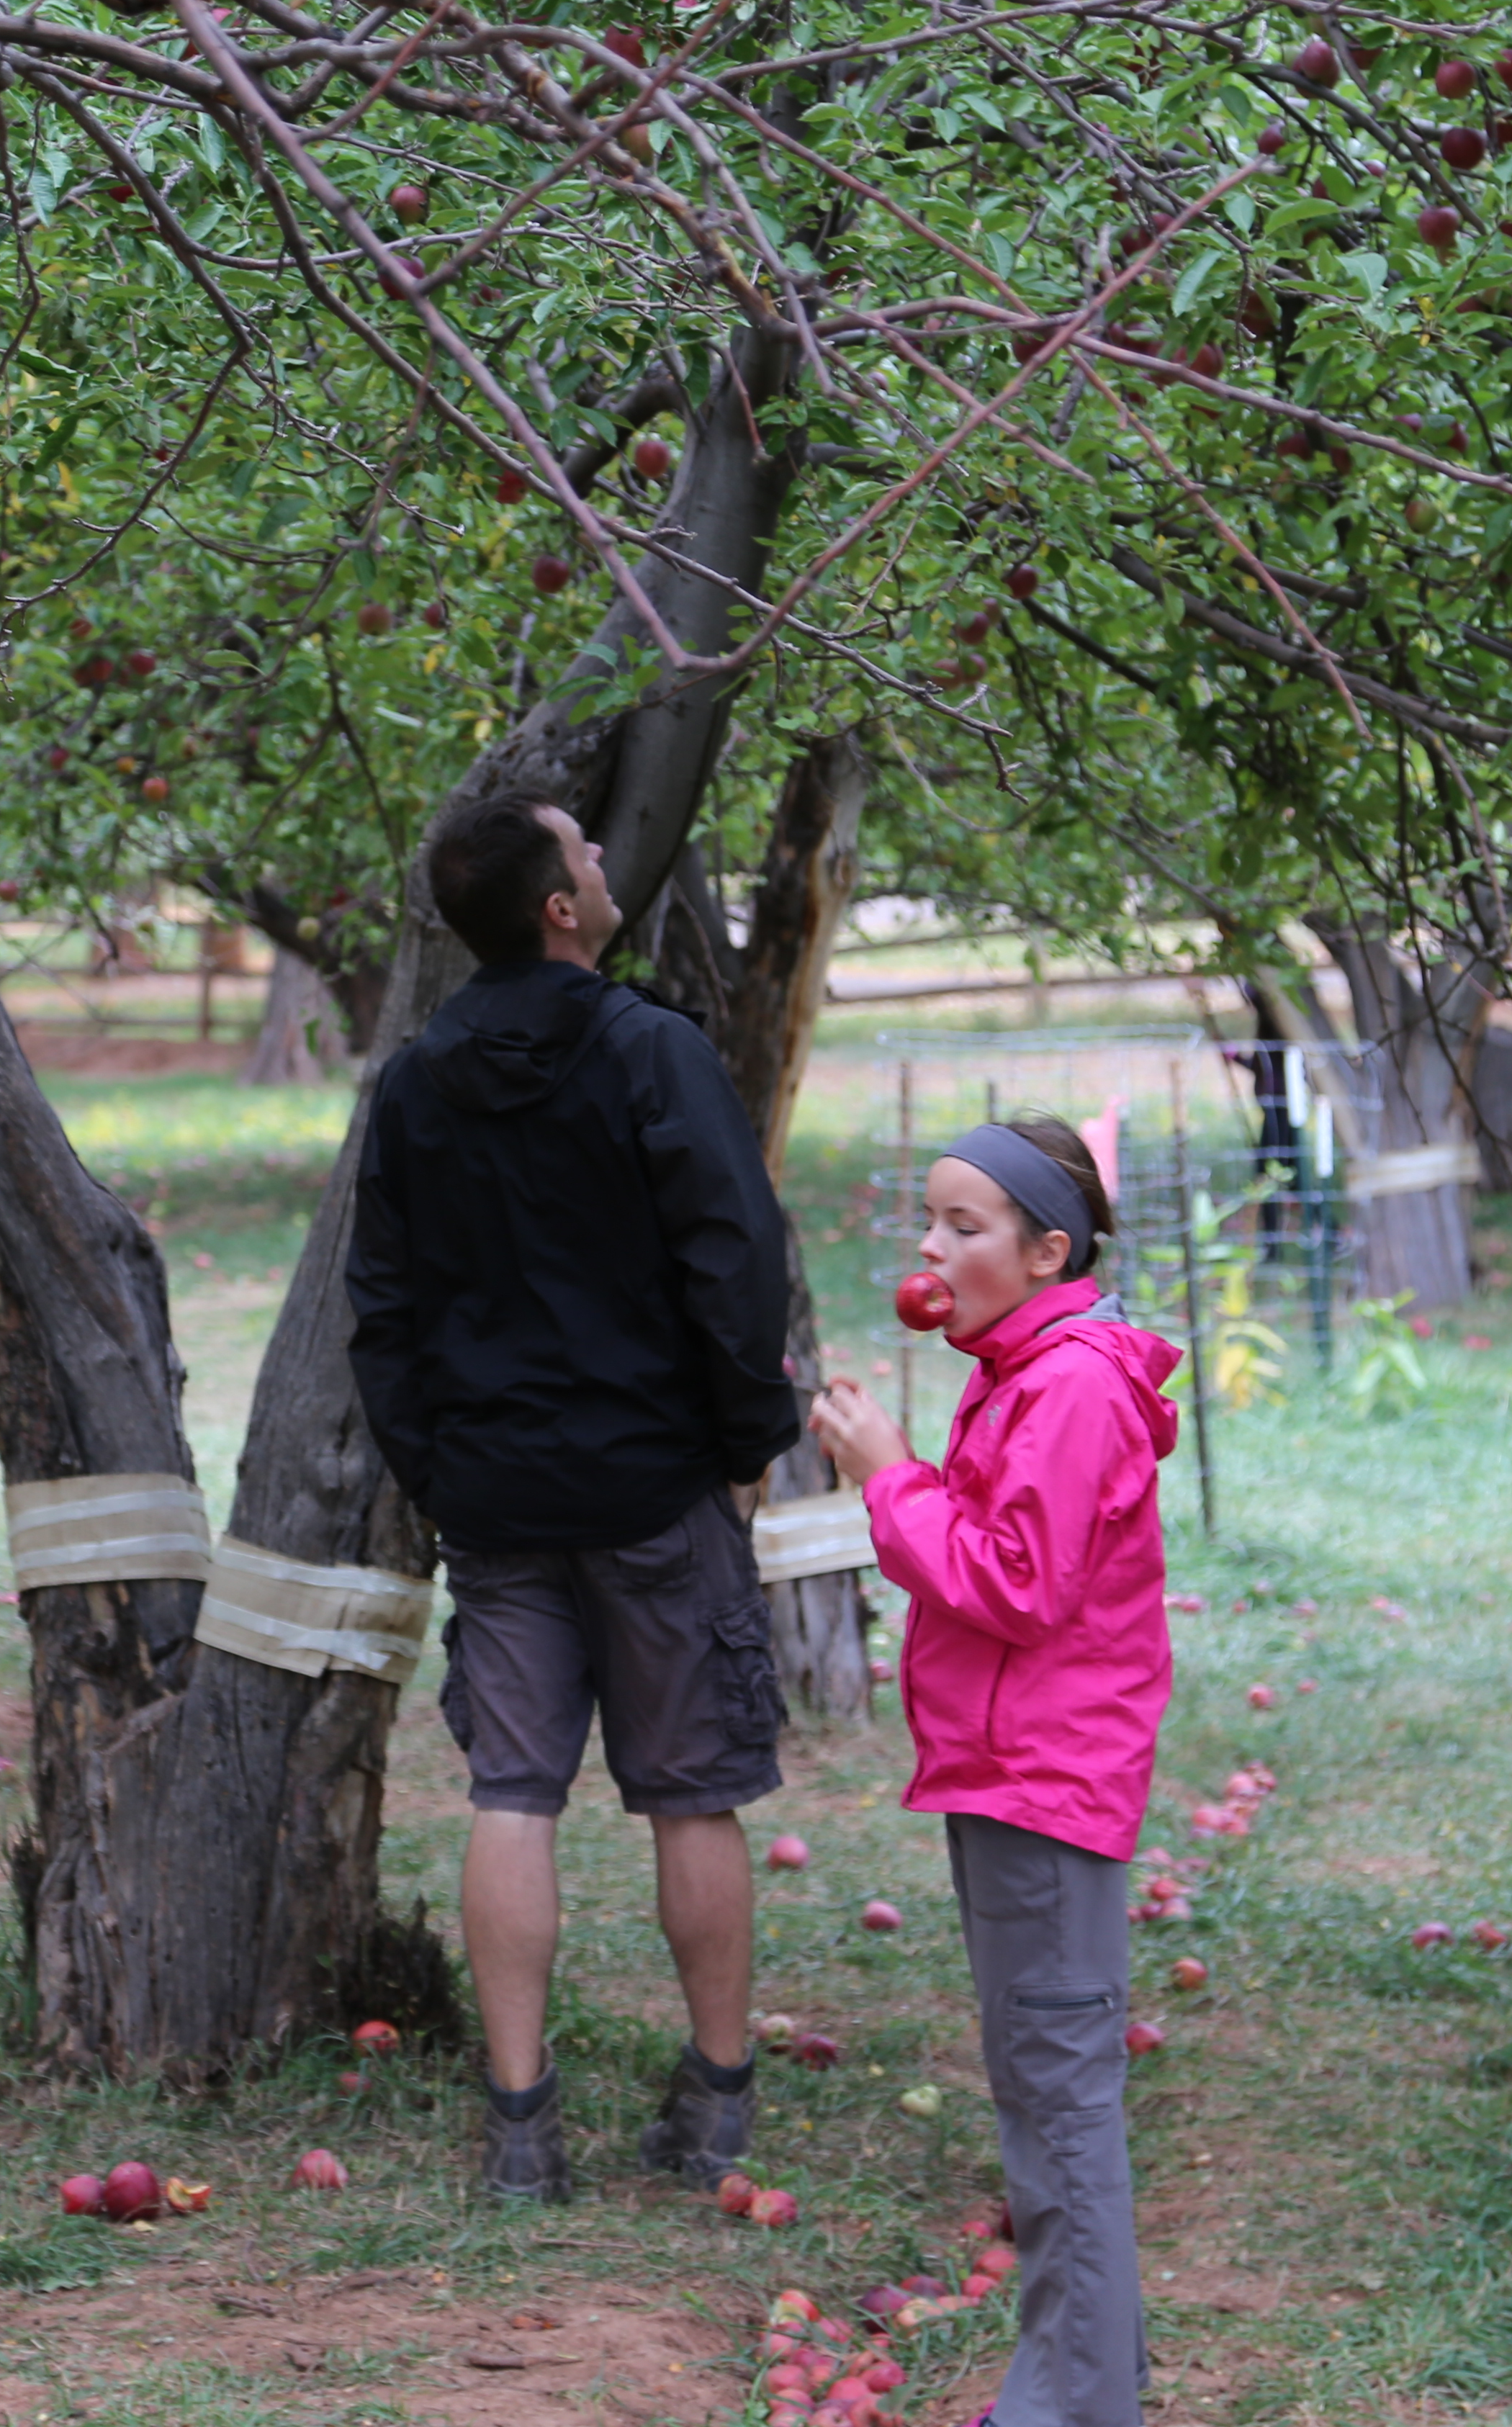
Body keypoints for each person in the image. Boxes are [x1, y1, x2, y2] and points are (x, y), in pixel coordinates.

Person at [349, 791, 804, 2204]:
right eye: (588, 854)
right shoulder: (653, 1055)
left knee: (513, 1795)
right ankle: (717, 2100)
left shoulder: (417, 1082)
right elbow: (736, 1261)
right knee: (692, 1796)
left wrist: (437, 1467)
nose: (609, 862)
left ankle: (521, 2130)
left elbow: (383, 1307)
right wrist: (746, 1441)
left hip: (495, 1501)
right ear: (560, 908)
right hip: (656, 1488)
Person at [810, 1114, 1178, 2427]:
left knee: (1057, 2092)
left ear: (1046, 1249)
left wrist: (888, 1479)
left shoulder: (1067, 1385)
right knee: (1044, 2079)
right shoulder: (1023, 1367)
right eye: (934, 1219)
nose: (929, 1246)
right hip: (1010, 1769)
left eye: (964, 1226)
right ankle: (1095, 2373)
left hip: (1044, 1779)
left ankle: (1075, 2407)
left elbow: (1016, 1586)